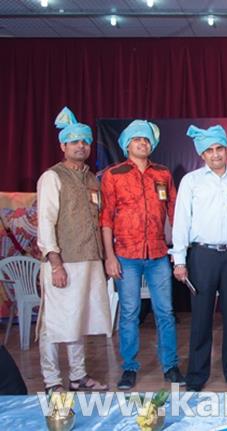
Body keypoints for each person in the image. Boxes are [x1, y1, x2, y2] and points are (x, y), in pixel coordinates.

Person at [171, 124, 227, 391]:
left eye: (219, 148)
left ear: (226, 149)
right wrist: (179, 259)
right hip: (202, 256)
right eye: (209, 150)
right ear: (202, 154)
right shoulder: (192, 181)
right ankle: (197, 375)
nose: (216, 154)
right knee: (201, 317)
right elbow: (181, 221)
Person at [100, 120, 184, 390]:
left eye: (146, 139)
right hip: (126, 254)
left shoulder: (163, 173)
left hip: (158, 254)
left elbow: (175, 213)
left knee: (165, 312)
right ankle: (129, 367)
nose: (142, 143)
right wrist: (109, 256)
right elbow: (106, 218)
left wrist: (178, 250)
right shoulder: (114, 175)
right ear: (127, 145)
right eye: (137, 139)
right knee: (129, 312)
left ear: (152, 144)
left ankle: (170, 365)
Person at [36, 107, 111, 393]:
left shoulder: (92, 179)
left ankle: (78, 377)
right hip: (63, 261)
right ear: (63, 146)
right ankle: (52, 380)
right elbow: (46, 221)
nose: (81, 146)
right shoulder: (52, 177)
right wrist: (55, 263)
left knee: (77, 319)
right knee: (55, 322)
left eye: (85, 141)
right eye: (74, 142)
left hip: (89, 259)